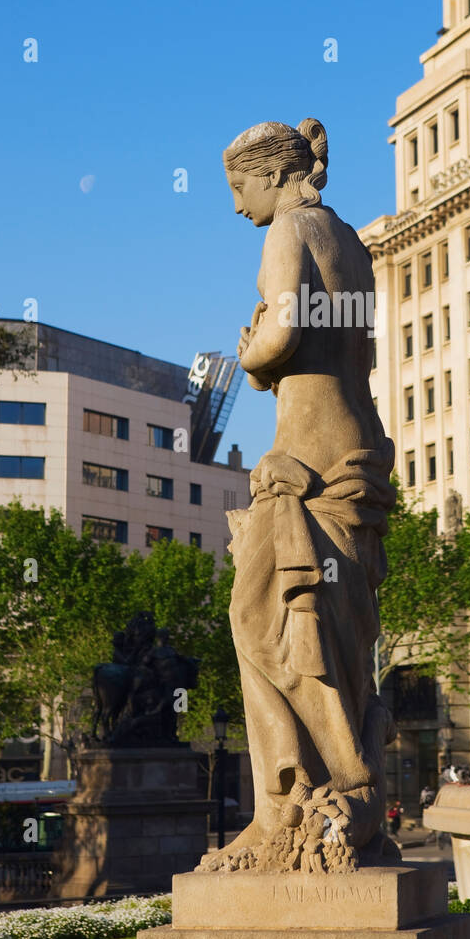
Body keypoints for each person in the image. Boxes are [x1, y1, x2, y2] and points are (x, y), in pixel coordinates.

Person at [203, 118, 397, 871]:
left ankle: (290, 802)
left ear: (273, 175)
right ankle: (340, 790)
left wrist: (249, 350)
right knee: (333, 627)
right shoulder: (351, 241)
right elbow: (348, 342)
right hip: (359, 443)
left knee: (263, 620)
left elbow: (282, 335)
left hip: (309, 453)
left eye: (237, 187)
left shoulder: (288, 232)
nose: (235, 205)